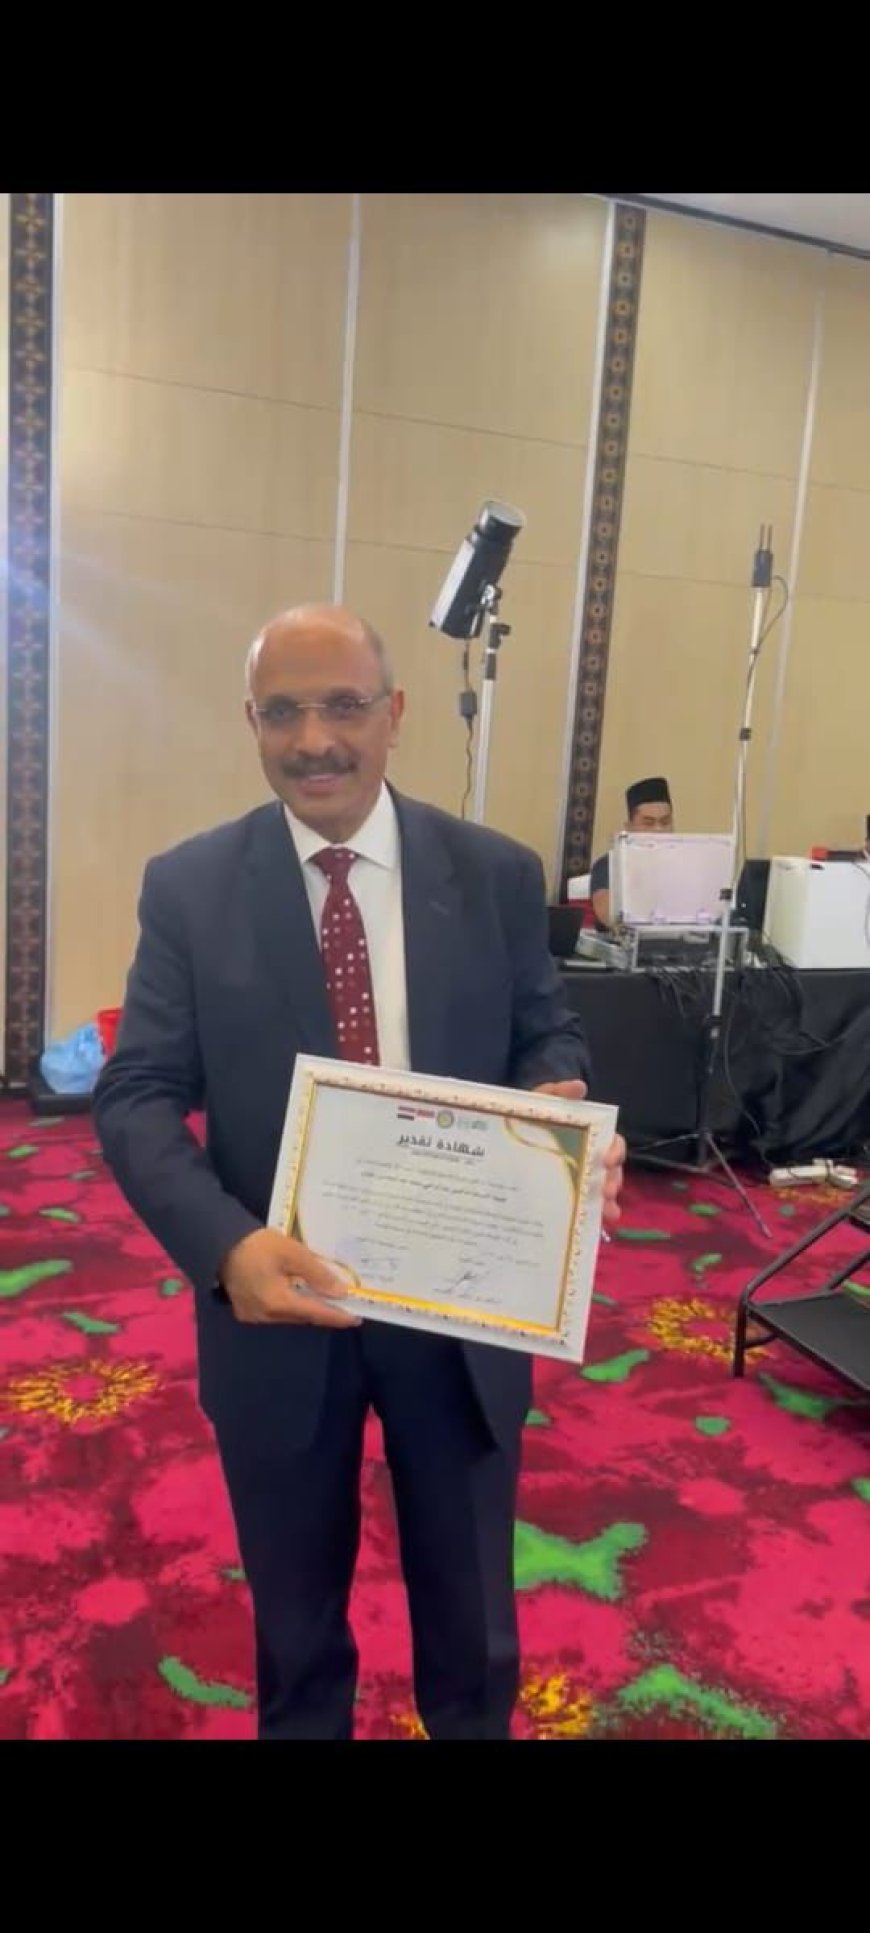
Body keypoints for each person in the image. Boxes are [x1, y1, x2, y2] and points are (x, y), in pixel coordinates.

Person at [93, 603, 626, 1741]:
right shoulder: (190, 886)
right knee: (294, 1634)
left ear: (395, 714)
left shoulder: (493, 873)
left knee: (474, 1626)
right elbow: (136, 1093)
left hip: (462, 1306)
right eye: (282, 711)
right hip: (277, 1305)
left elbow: (548, 1032)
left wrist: (560, 1115)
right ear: (250, 722)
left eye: (342, 706)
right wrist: (227, 1247)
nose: (313, 739)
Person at [590, 776, 674, 930]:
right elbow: (609, 914)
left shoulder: (684, 864)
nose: (658, 830)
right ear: (629, 827)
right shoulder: (609, 865)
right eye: (648, 823)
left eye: (665, 822)